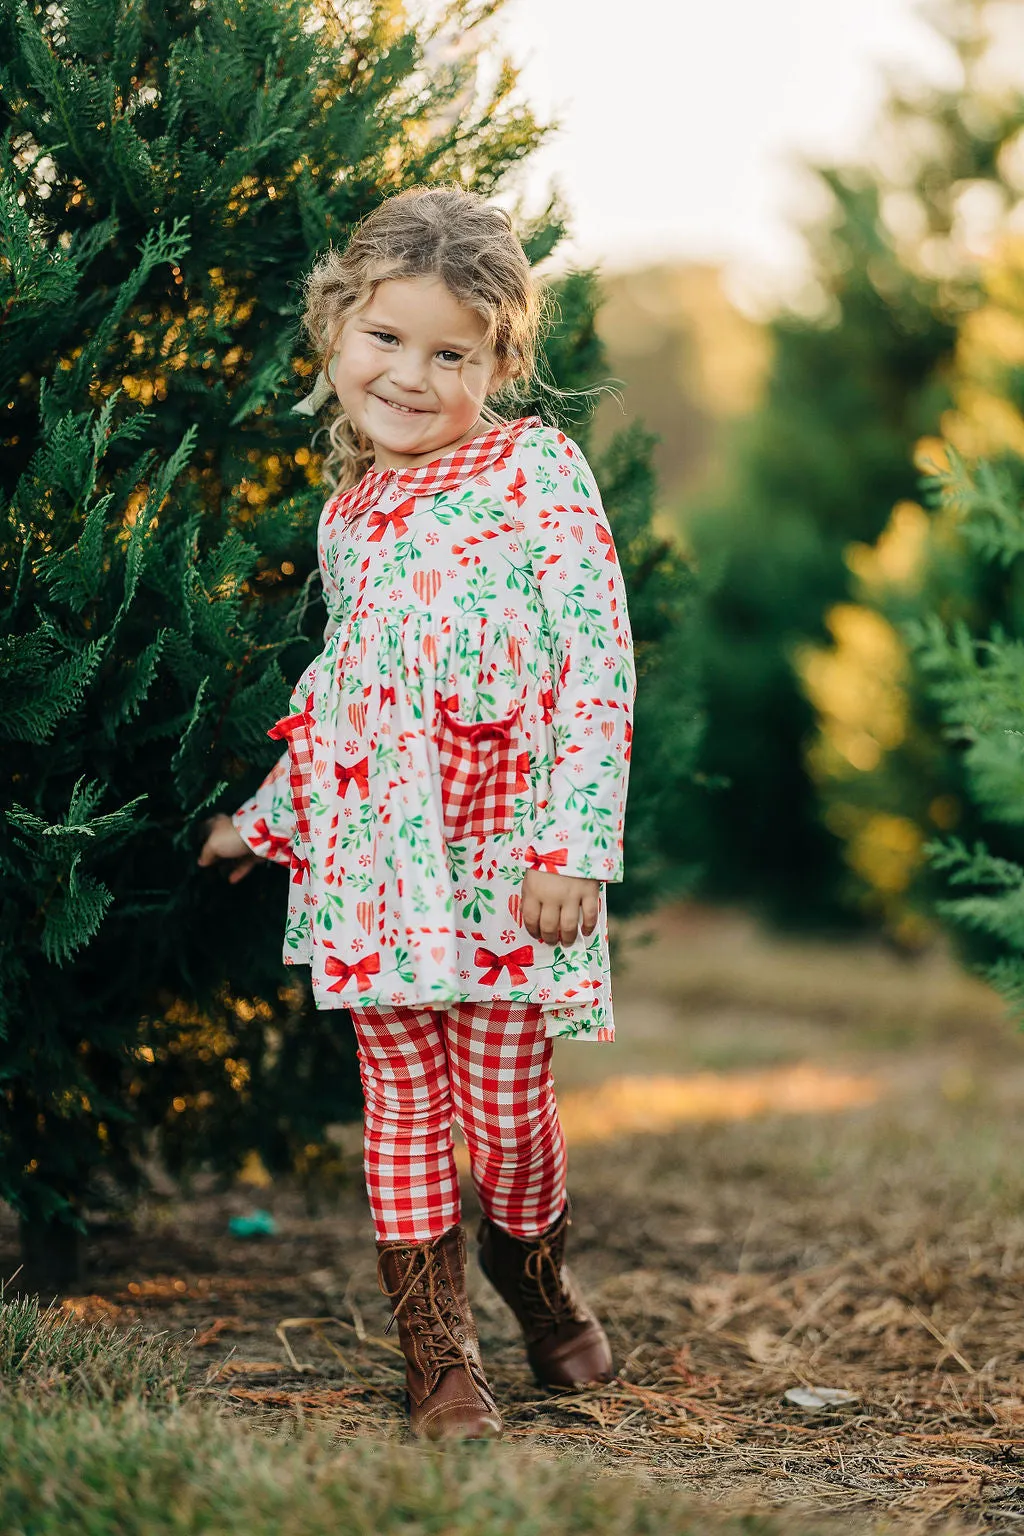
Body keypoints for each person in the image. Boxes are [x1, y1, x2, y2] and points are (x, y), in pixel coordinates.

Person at [198, 186, 635, 1441]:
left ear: (499, 362)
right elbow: (347, 706)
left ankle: (531, 1272)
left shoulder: (534, 471)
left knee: (507, 1123)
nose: (408, 374)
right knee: (401, 1106)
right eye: (385, 338)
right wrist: (261, 823)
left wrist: (574, 848)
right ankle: (437, 1357)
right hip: (377, 878)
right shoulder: (348, 517)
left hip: (507, 865)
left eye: (450, 353)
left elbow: (595, 660)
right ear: (338, 330)